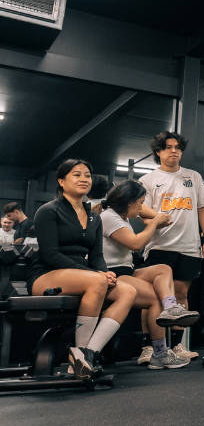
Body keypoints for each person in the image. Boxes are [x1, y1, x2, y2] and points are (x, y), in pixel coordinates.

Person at [26, 159, 137, 380]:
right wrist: (95, 275)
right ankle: (79, 357)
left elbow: (96, 256)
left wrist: (105, 271)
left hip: (84, 275)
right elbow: (50, 254)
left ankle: (87, 354)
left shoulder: (94, 216)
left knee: (128, 291)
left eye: (87, 175)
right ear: (61, 181)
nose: (84, 179)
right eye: (77, 175)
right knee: (96, 281)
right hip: (46, 275)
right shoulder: (47, 211)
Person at [101, 180, 201, 369]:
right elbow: (136, 243)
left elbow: (146, 215)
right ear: (129, 202)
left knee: (164, 268)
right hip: (111, 275)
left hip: (126, 270)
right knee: (155, 298)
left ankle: (171, 308)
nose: (141, 208)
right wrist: (155, 222)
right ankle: (160, 353)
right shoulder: (109, 217)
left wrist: (158, 217)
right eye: (139, 203)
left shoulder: (121, 217)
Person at [136, 131, 204, 362]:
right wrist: (157, 219)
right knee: (153, 298)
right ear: (158, 152)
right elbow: (141, 212)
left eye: (177, 147)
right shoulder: (147, 180)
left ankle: (178, 346)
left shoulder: (193, 177)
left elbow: (203, 209)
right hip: (160, 246)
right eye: (168, 147)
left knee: (181, 294)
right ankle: (149, 348)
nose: (174, 151)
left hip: (189, 247)